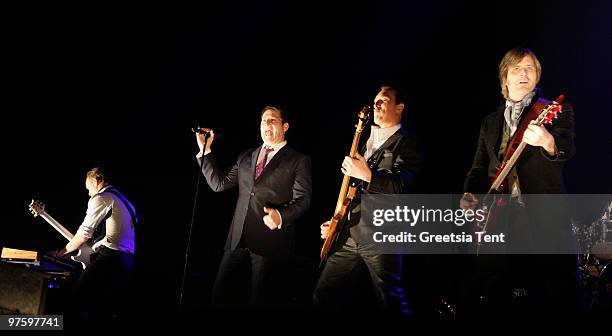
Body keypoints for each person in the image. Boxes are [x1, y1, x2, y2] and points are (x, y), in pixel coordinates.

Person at [460, 47, 578, 314]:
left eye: (530, 69)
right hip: (498, 216)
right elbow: (479, 168)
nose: (524, 73)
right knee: (493, 290)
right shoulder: (489, 122)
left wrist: (547, 141)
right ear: (505, 78)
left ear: (537, 76)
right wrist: (468, 193)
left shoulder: (554, 109)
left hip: (542, 215)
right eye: (517, 68)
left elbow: (566, 149)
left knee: (554, 292)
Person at [313, 85, 422, 315]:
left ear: (399, 107)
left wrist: (368, 175)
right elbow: (354, 192)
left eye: (383, 100)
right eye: (375, 101)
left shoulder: (407, 142)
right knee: (323, 296)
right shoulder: (368, 141)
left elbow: (401, 187)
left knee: (391, 302)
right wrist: (337, 221)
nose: (376, 105)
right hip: (350, 234)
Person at [196, 105, 312, 309]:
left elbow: (303, 199)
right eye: (263, 120)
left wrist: (281, 216)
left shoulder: (298, 160)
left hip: (270, 242)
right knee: (219, 296)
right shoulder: (246, 157)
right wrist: (204, 150)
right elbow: (218, 184)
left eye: (273, 120)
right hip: (237, 239)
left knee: (260, 302)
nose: (266, 124)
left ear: (285, 126)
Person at [49, 167, 137, 320]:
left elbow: (84, 233)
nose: (89, 193)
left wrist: (63, 251)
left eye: (88, 188)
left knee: (75, 302)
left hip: (111, 258)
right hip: (127, 261)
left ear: (97, 181)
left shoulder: (102, 197)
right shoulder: (123, 200)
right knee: (102, 310)